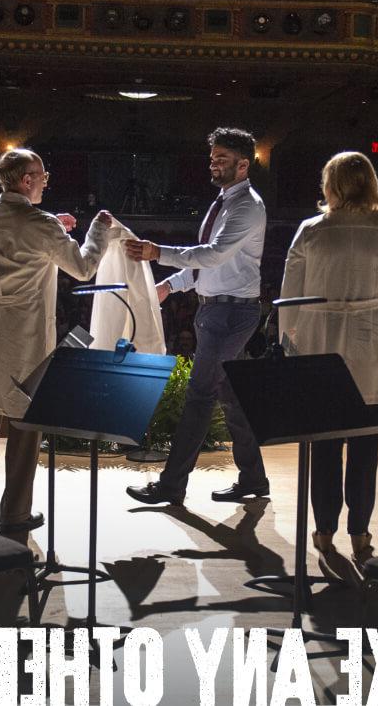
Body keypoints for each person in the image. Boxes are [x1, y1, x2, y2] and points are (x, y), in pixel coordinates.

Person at [0, 148, 112, 534]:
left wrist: (51, 225)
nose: (45, 182)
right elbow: (84, 267)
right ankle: (15, 515)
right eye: (42, 176)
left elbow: (13, 237)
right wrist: (98, 231)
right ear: (27, 180)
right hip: (21, 340)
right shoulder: (41, 225)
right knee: (24, 435)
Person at [278, 152, 378, 584]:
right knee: (365, 452)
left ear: (330, 184)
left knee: (323, 451)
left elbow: (290, 297)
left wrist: (290, 343)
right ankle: (360, 535)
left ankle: (322, 533)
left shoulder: (311, 232)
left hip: (322, 352)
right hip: (373, 354)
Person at [123, 128, 268, 506]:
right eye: (212, 157)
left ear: (243, 164)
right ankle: (255, 479)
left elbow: (213, 255)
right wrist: (169, 287)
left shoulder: (246, 206)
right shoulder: (223, 202)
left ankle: (172, 485)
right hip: (217, 310)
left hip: (232, 314)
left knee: (200, 396)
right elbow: (208, 263)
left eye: (221, 158)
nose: (213, 164)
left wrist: (157, 253)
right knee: (230, 396)